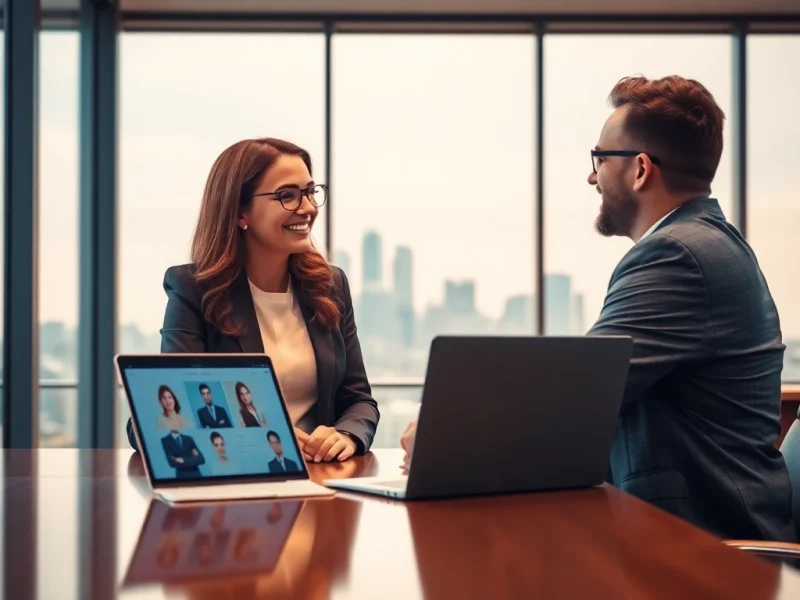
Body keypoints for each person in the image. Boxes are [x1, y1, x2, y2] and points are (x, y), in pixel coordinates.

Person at [401, 75, 796, 542]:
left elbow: (579, 396)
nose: (592, 176)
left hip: (705, 548)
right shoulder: (706, 243)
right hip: (686, 529)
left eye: (600, 159)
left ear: (641, 169)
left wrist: (444, 435)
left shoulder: (677, 255)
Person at [126, 137, 379, 463]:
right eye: (287, 196)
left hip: (321, 480)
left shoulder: (330, 286)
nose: (308, 208)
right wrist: (260, 433)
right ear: (239, 213)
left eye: (310, 192)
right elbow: (151, 420)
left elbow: (358, 399)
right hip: (237, 481)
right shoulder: (194, 291)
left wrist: (346, 435)